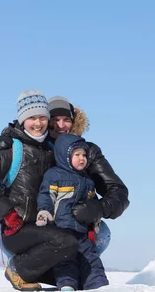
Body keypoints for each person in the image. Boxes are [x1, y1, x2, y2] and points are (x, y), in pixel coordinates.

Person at [0, 90, 79, 291]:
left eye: (42, 118)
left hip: (45, 227)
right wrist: (9, 214)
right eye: (31, 118)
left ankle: (43, 274)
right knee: (67, 242)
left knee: (80, 276)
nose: (37, 123)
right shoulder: (12, 149)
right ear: (22, 120)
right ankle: (18, 269)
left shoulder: (50, 149)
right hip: (18, 229)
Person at [46, 96, 130, 256]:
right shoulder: (31, 149)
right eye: (54, 119)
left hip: (74, 222)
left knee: (102, 234)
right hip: (40, 220)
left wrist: (97, 208)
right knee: (0, 224)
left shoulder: (88, 152)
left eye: (66, 119)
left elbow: (118, 191)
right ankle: (22, 269)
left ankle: (81, 271)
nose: (60, 125)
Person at [36, 134, 109, 291]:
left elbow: (92, 204)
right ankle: (67, 285)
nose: (82, 158)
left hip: (81, 231)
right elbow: (46, 195)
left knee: (91, 258)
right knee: (66, 259)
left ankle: (98, 286)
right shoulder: (54, 175)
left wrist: (95, 221)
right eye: (77, 155)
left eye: (84, 155)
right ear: (65, 155)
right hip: (61, 229)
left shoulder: (88, 181)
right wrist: (44, 211)